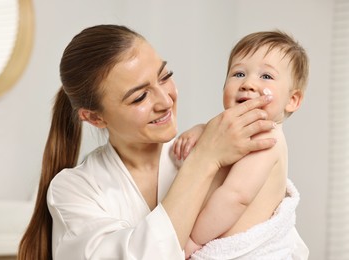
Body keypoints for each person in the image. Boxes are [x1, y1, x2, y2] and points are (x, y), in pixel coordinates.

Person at [17, 24, 278, 260]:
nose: (165, 101)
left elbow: (269, 239)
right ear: (94, 117)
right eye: (140, 97)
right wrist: (204, 161)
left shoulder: (205, 147)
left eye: (165, 76)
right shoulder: (75, 190)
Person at [173, 30, 310, 259]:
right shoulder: (235, 125)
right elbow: (215, 131)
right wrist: (200, 130)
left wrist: (193, 240)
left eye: (266, 76)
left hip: (240, 251)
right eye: (238, 73)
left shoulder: (266, 138)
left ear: (292, 100)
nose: (248, 83)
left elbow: (236, 196)